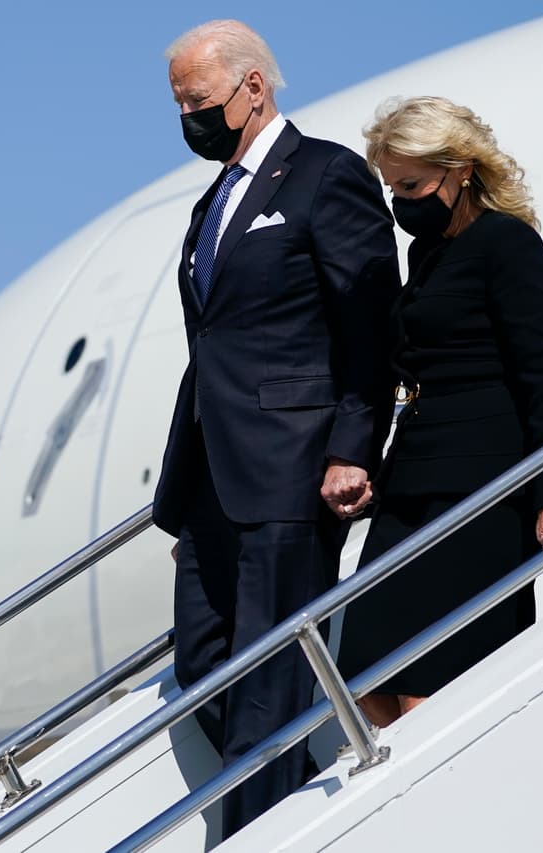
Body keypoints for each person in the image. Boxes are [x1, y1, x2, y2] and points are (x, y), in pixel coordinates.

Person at [151, 20, 399, 836]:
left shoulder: (326, 174)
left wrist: (352, 446)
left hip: (294, 467)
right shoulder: (212, 204)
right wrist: (189, 498)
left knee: (267, 674)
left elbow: (368, 320)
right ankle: (279, 792)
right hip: (213, 481)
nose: (187, 117)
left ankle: (260, 832)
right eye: (178, 103)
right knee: (201, 665)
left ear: (252, 87)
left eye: (197, 100)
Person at [337, 96, 543, 730]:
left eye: (412, 186)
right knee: (364, 675)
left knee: (432, 683)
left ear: (461, 169)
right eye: (392, 188)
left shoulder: (507, 243)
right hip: (413, 482)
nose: (401, 203)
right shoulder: (426, 254)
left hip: (484, 485)